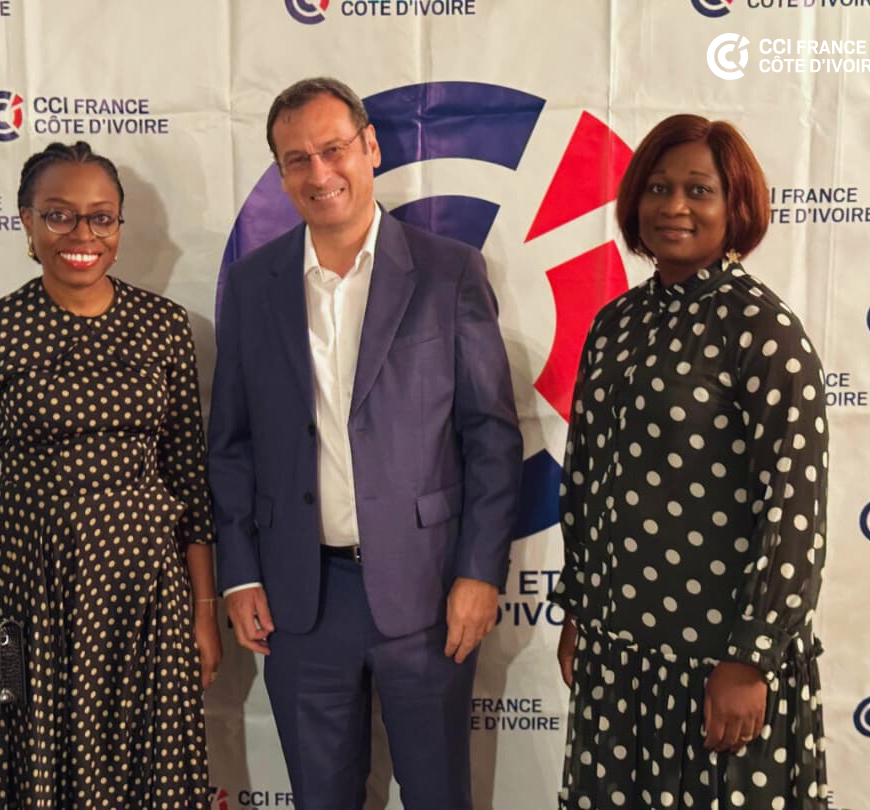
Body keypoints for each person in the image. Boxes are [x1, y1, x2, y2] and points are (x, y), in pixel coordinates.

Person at [208, 77, 522, 810]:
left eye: (333, 149)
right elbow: (231, 445)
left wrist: (479, 572)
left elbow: (490, 436)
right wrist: (240, 574)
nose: (319, 173)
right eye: (297, 159)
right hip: (299, 600)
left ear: (370, 147)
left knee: (439, 796)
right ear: (280, 172)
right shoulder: (253, 286)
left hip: (428, 593)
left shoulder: (449, 273)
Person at [0, 141, 221, 809]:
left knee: (152, 776)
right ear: (27, 221)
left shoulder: (164, 327)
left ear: (119, 225)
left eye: (101, 217)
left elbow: (188, 484)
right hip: (28, 595)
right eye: (59, 215)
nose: (82, 235)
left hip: (145, 598)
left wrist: (204, 612)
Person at [549, 114, 829, 809]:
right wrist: (579, 610)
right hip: (618, 660)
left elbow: (794, 511)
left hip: (720, 665)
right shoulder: (615, 324)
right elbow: (586, 482)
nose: (674, 206)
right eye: (658, 188)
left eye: (699, 190)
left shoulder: (764, 331)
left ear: (736, 207)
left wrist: (750, 658)